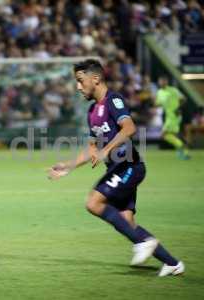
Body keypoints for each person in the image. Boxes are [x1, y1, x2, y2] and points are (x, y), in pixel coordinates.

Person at [47, 59, 184, 277]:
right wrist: (69, 166)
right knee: (127, 222)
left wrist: (106, 149)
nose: (78, 86)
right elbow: (92, 149)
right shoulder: (92, 111)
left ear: (96, 79)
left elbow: (129, 127)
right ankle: (172, 263)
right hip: (118, 169)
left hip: (129, 165)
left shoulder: (114, 100)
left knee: (93, 202)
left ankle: (142, 243)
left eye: (80, 81)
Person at [156, 76, 190, 160]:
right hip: (168, 116)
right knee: (174, 135)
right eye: (161, 81)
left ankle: (181, 146)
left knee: (163, 135)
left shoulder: (173, 90)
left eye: (164, 81)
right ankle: (183, 152)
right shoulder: (159, 92)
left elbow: (184, 99)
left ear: (166, 82)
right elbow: (157, 103)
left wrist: (178, 108)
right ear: (159, 82)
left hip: (174, 116)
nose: (162, 83)